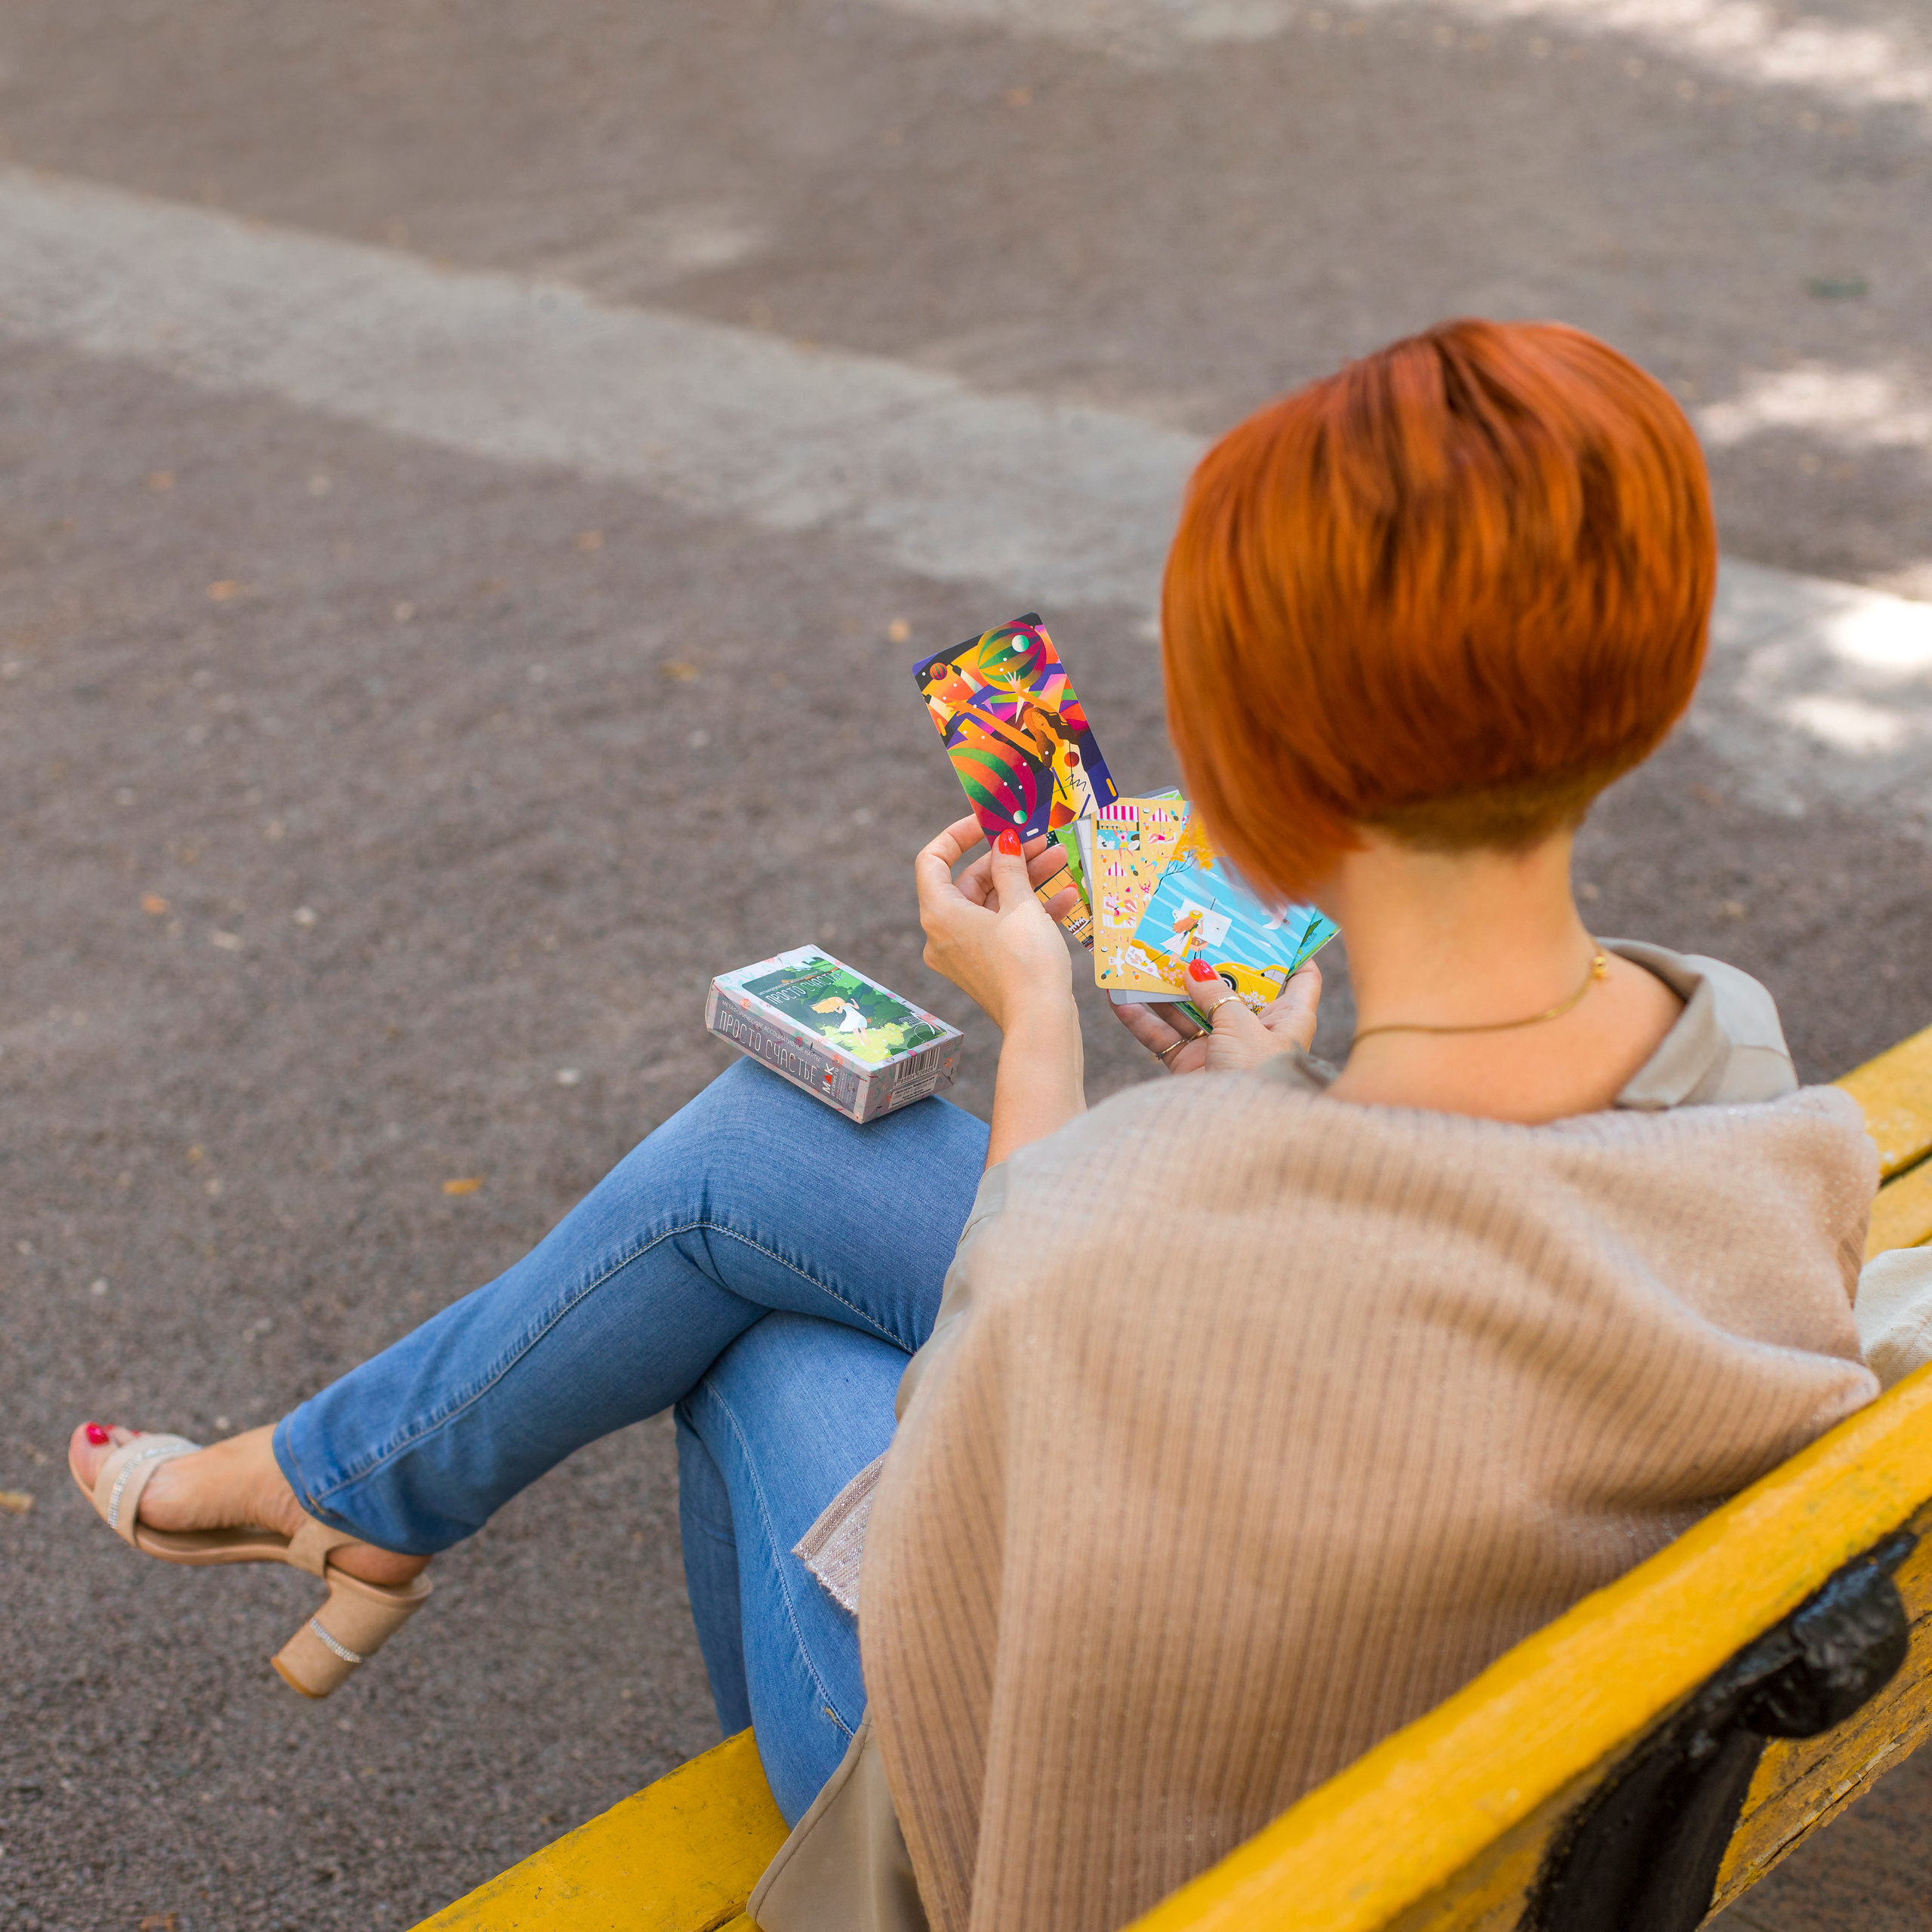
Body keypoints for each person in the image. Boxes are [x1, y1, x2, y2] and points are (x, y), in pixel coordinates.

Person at [69, 319, 1932, 1932]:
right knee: (759, 1162)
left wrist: (1040, 1012)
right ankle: (337, 1488)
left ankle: (345, 1497)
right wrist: (1255, 1077)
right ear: (1655, 669)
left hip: (1054, 1841)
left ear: (1269, 775)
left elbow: (967, 1490)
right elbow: (1375, 1258)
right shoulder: (1746, 1083)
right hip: (1422, 1681)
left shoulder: (1119, 1226)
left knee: (748, 1316)